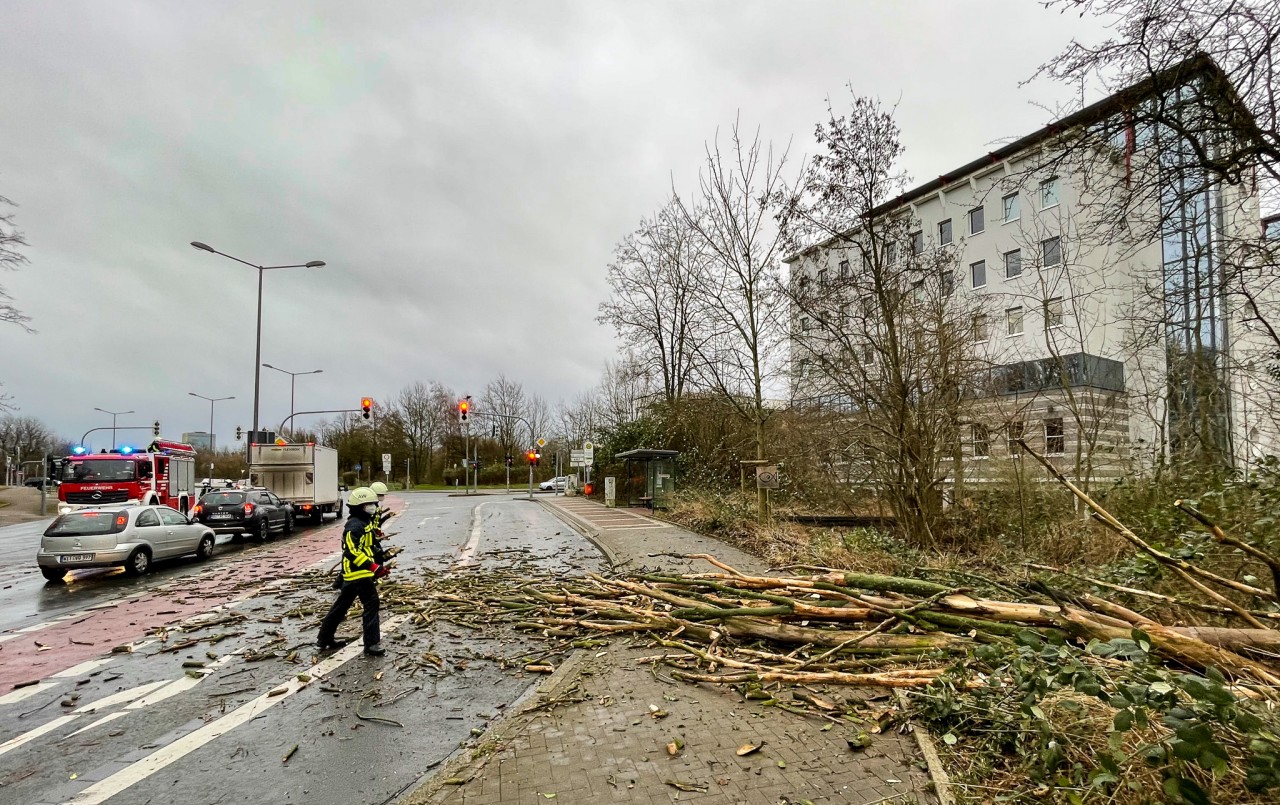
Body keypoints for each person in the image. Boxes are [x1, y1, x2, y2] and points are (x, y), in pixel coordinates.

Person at [316, 487, 388, 656]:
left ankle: (324, 639)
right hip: (357, 573)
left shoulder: (364, 523)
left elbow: (369, 545)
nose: (372, 507)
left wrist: (379, 558)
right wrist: (373, 567)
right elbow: (351, 551)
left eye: (373, 504)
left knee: (340, 607)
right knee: (371, 603)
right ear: (358, 507)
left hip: (359, 573)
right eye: (368, 505)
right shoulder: (354, 525)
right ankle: (371, 644)